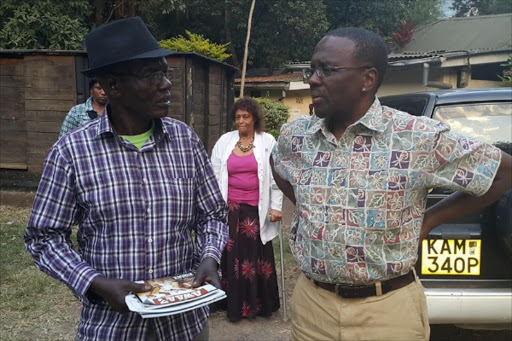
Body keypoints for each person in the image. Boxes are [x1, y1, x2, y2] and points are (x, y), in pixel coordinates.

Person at [271, 27, 512, 341]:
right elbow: (277, 163)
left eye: (327, 70)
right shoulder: (297, 135)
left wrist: (430, 220)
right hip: (313, 308)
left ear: (367, 80)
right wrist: (308, 204)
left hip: (387, 311)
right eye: (312, 69)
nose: (313, 79)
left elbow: (502, 171)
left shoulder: (415, 137)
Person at [24, 17, 228, 341]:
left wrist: (209, 257)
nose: (166, 84)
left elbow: (213, 215)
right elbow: (43, 237)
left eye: (165, 72)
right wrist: (94, 283)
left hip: (184, 326)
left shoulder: (185, 141)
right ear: (113, 86)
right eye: (152, 74)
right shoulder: (71, 153)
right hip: (111, 328)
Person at [211, 97, 283, 322]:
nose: (241, 121)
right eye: (238, 117)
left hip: (256, 210)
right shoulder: (225, 141)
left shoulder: (267, 141)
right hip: (230, 210)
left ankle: (259, 305)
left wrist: (276, 207)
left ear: (254, 119)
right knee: (231, 258)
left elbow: (276, 178)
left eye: (246, 117)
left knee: (255, 258)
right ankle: (230, 303)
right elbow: (213, 174)